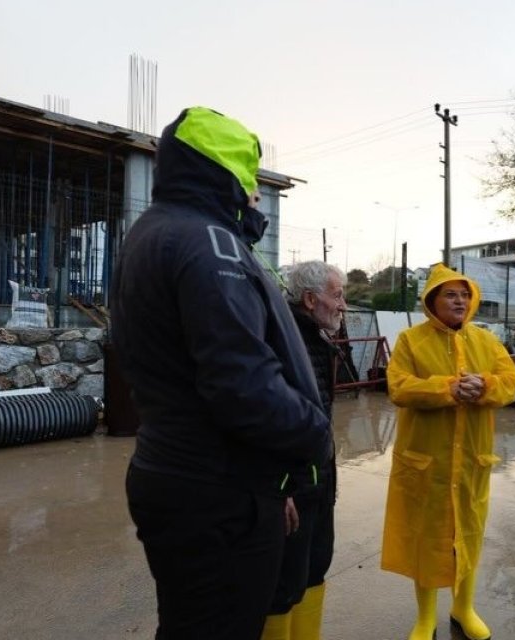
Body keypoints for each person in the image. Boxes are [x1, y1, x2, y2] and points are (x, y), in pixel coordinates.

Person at [111, 106, 332, 640]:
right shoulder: (210, 243)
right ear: (227, 174)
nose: (256, 197)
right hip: (216, 494)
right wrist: (314, 434)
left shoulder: (155, 232)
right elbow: (242, 385)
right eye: (250, 181)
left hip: (190, 475)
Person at [381, 264, 515, 640]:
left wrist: (485, 385)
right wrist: (448, 389)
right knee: (426, 538)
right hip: (426, 462)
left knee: (468, 535)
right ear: (432, 301)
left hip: (472, 462)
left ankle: (463, 608)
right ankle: (425, 618)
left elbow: (510, 384)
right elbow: (399, 387)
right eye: (450, 294)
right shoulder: (410, 341)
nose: (459, 301)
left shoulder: (487, 342)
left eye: (464, 295)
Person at [260, 261, 349, 640]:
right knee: (283, 584)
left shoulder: (315, 339)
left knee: (315, 567)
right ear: (311, 299)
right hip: (291, 487)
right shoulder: (282, 339)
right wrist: (278, 489)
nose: (343, 305)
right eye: (338, 295)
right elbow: (266, 422)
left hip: (319, 480)